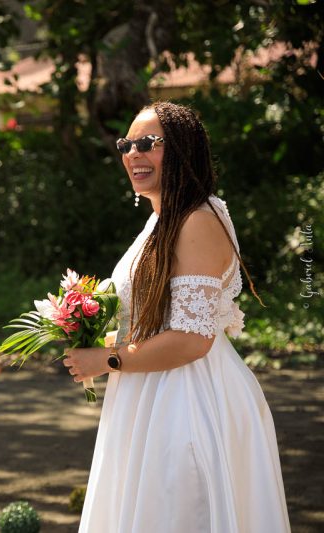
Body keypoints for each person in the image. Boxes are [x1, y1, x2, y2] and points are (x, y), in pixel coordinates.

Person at [63, 102, 291, 532]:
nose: (133, 153)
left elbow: (191, 340)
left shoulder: (197, 221)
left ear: (184, 149)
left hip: (188, 399)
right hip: (149, 391)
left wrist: (107, 358)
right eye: (126, 144)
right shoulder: (161, 220)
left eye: (149, 143)